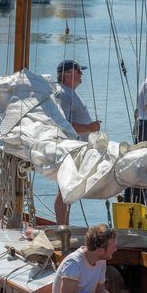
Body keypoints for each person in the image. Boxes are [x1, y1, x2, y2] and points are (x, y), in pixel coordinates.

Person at [52, 59, 101, 225]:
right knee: (64, 188)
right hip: (68, 148)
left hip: (78, 148)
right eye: (79, 71)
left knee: (70, 188)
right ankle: (61, 226)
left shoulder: (70, 92)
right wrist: (89, 127)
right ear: (67, 74)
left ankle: (65, 225)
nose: (82, 75)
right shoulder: (62, 94)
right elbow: (63, 124)